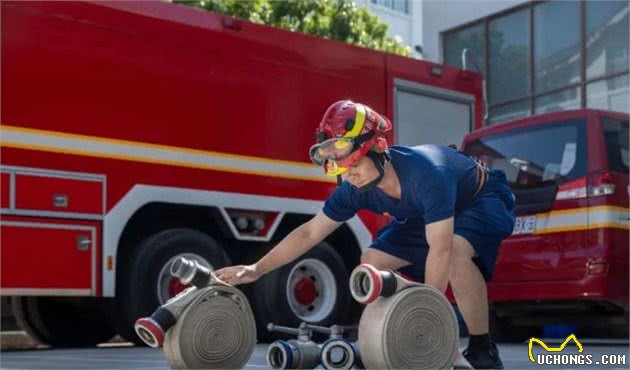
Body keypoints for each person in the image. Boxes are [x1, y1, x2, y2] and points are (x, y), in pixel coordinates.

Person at [215, 100, 515, 369]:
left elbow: (439, 250)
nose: (349, 175)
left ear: (379, 148)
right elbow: (309, 233)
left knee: (455, 253)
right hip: (427, 212)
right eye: (341, 169)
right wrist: (256, 269)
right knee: (371, 260)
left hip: (482, 198)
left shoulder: (428, 175)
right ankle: (390, 334)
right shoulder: (354, 189)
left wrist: (430, 325)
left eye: (354, 164)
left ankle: (482, 349)